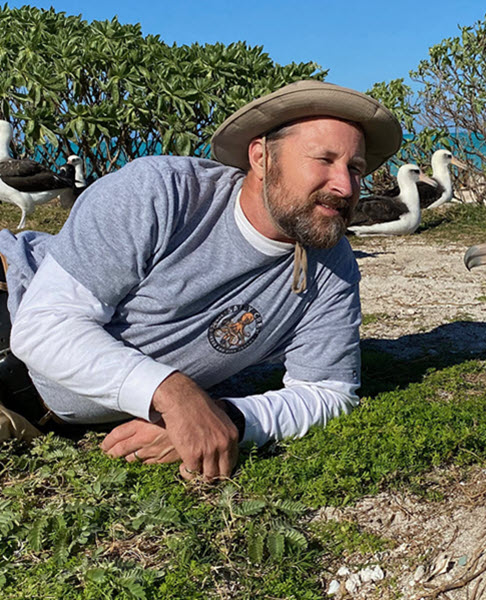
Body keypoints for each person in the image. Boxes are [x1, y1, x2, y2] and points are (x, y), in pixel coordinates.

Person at [0, 80, 402, 481]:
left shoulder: (332, 265)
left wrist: (227, 418)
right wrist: (174, 395)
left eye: (355, 168)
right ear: (261, 157)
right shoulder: (161, 192)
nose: (345, 187)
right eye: (324, 160)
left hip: (51, 416)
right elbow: (43, 325)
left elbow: (329, 392)